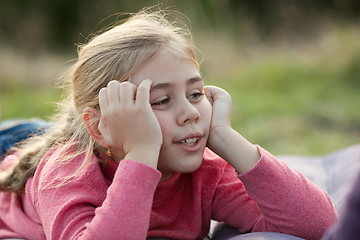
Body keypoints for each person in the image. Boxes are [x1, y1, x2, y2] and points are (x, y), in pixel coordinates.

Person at [0, 8, 337, 240]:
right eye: (160, 101)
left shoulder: (206, 173)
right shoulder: (67, 174)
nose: (190, 113)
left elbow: (322, 225)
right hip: (16, 149)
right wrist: (142, 150)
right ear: (102, 127)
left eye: (195, 94)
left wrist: (224, 136)